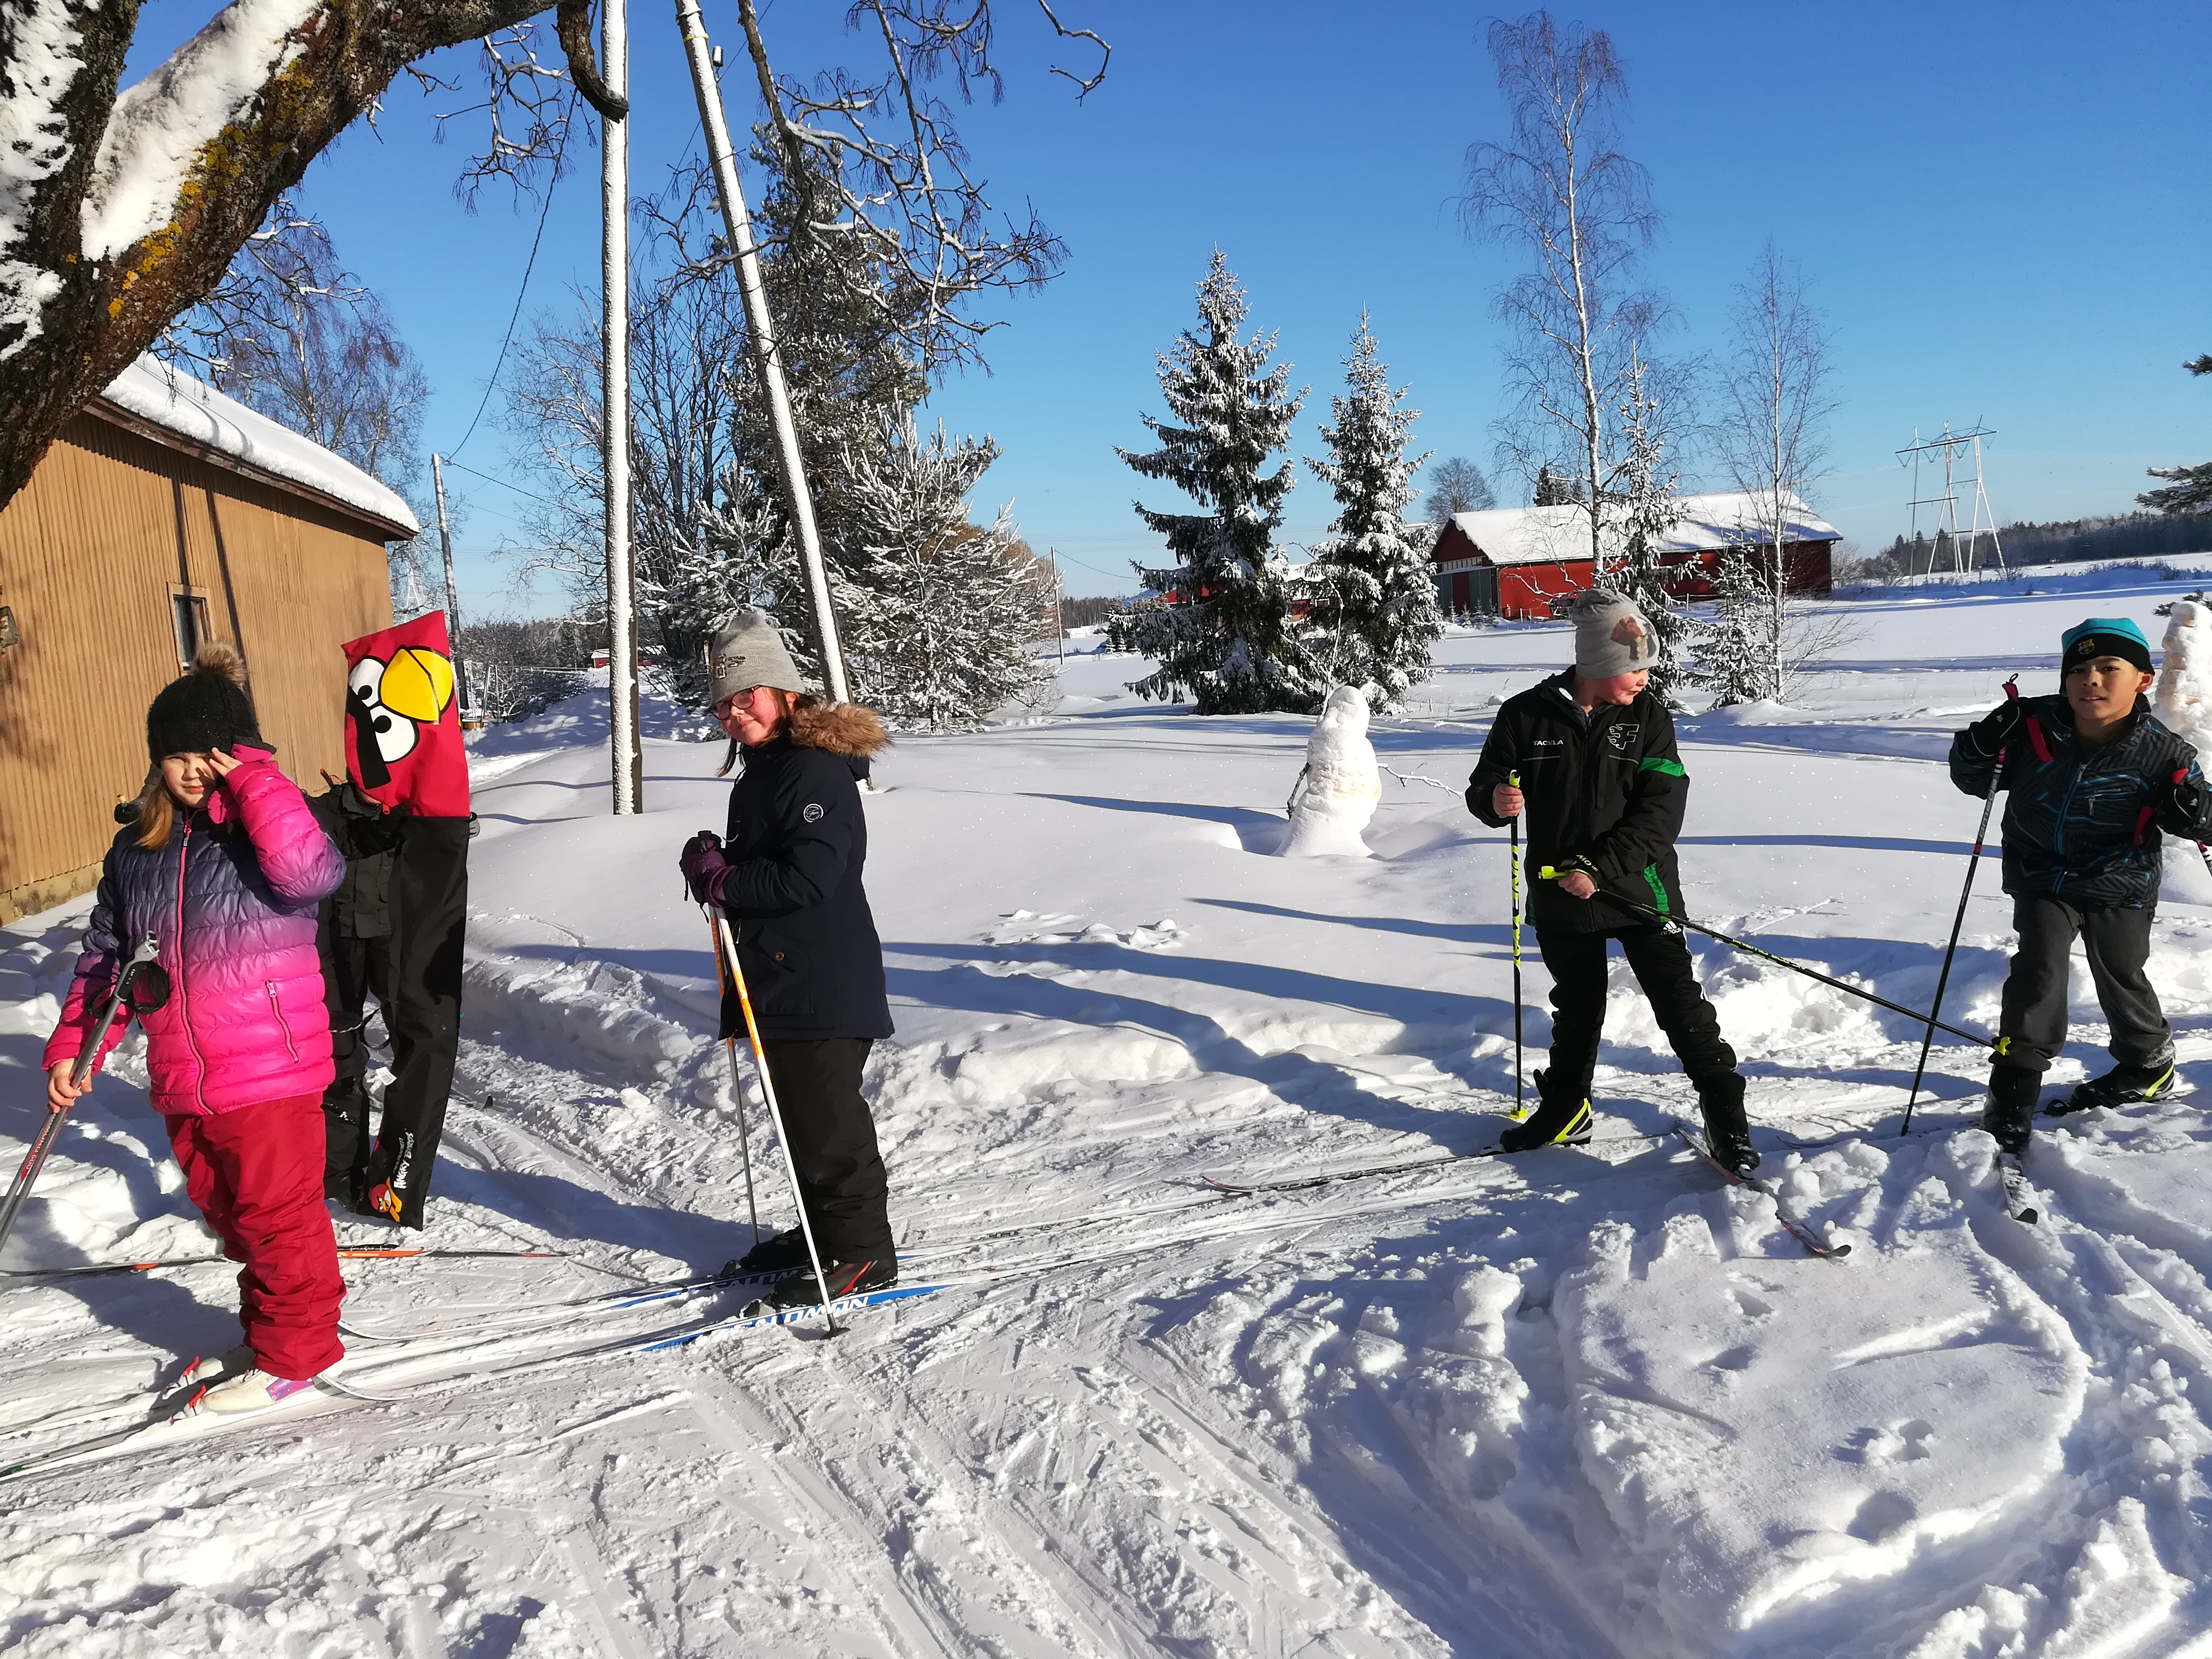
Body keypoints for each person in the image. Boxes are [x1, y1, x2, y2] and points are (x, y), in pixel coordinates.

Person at [44, 643, 347, 1411]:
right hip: (186, 1073)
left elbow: (313, 874)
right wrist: (79, 1046)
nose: (190, 772)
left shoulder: (266, 831)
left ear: (237, 755)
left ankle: (296, 1353)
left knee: (278, 1220)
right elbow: (108, 958)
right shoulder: (137, 850)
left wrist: (255, 782)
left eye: (207, 756)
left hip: (270, 1067)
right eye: (176, 756)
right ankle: (267, 1333)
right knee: (229, 1216)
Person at [1465, 589, 1757, 1171]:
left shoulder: (1648, 719)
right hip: (1560, 893)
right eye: (1634, 667)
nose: (1645, 678)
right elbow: (1485, 784)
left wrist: (1599, 869)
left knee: (1681, 1009)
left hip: (1637, 889)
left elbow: (1660, 814)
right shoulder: (1524, 715)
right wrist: (1494, 799)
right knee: (1576, 1010)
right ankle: (1567, 1107)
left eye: (1647, 666)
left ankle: (1725, 1112)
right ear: (1597, 663)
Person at [679, 608, 897, 1308]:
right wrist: (718, 861)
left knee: (829, 1126)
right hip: (778, 975)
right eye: (723, 702)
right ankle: (821, 1233)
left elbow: (810, 878)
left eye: (747, 695)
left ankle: (861, 1252)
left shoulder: (812, 771)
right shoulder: (765, 772)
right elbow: (768, 865)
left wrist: (725, 879)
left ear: (784, 691)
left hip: (820, 978)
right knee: (800, 1119)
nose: (734, 712)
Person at [1949, 617, 2212, 1151]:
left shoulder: (2165, 752)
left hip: (2122, 877)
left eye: (2109, 668)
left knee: (2120, 969)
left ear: (2141, 680)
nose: (2091, 679)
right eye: (2078, 670)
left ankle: (2147, 1064)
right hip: (2041, 871)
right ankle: (2014, 1086)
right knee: (2039, 966)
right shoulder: (2029, 726)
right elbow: (1973, 779)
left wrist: (2194, 811)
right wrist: (1978, 744)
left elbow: (2203, 819)